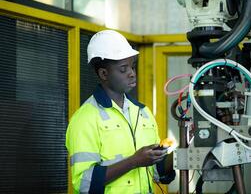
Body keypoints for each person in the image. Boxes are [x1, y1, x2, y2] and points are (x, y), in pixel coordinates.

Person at [66, 30, 175, 194]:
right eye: (123, 69)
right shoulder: (85, 119)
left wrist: (186, 149)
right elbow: (84, 183)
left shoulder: (143, 112)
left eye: (132, 66)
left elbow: (158, 172)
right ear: (104, 73)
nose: (132, 73)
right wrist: (134, 161)